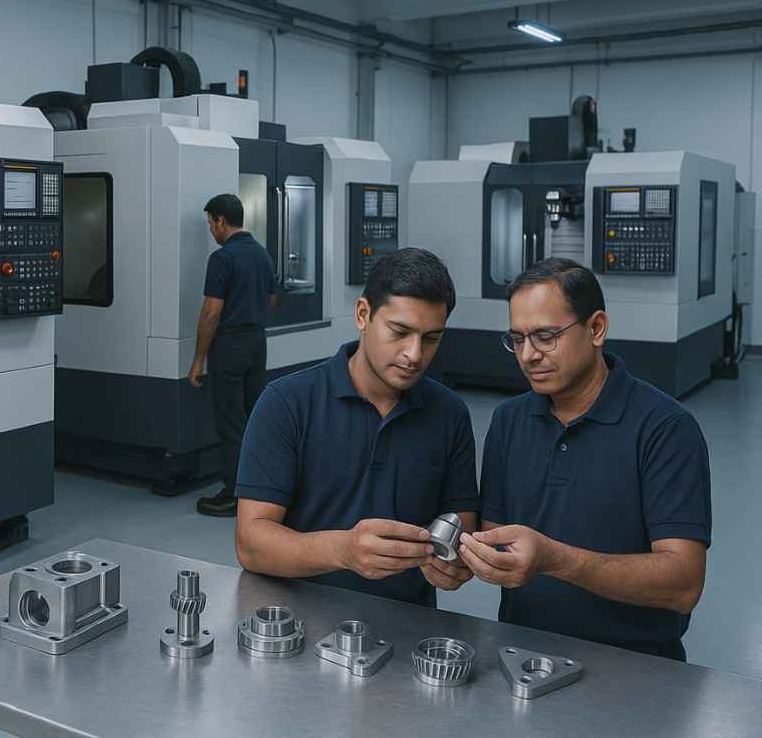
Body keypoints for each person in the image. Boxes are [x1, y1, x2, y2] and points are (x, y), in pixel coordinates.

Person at [460, 258, 710, 661]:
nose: (528, 355)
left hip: (636, 666)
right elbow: (496, 537)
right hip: (524, 659)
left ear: (596, 328)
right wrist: (454, 553)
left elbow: (683, 584)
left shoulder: (665, 429)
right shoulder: (508, 422)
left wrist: (554, 560)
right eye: (517, 339)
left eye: (545, 337)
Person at [233, 248, 478, 605]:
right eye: (400, 331)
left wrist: (454, 561)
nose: (414, 354)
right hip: (298, 618)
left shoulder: (450, 413)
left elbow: (462, 521)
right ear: (363, 314)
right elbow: (251, 544)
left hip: (406, 621)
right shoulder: (286, 403)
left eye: (430, 339)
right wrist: (343, 550)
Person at [189, 194, 276, 517]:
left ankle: (234, 495)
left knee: (230, 422)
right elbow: (272, 301)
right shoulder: (262, 254)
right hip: (257, 343)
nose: (211, 229)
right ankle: (260, 489)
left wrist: (198, 359)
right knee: (253, 419)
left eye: (210, 223)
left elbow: (211, 312)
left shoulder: (222, 258)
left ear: (222, 221)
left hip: (230, 346)